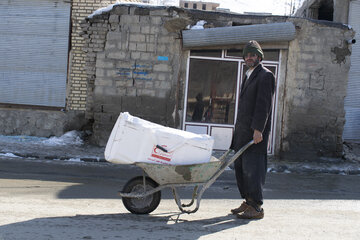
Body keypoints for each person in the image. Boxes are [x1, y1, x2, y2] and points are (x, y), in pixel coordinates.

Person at [230, 40, 275, 219]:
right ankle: (248, 202)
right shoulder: (249, 74)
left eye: (253, 55)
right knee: (241, 168)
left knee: (253, 169)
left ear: (259, 57)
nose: (249, 57)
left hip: (254, 134)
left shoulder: (265, 76)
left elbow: (263, 106)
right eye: (247, 55)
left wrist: (258, 129)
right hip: (242, 131)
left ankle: (256, 208)